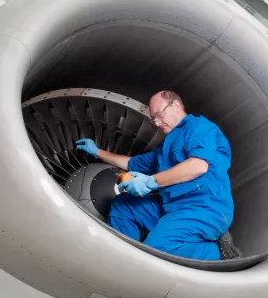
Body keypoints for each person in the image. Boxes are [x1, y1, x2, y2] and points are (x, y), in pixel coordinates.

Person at [76, 91, 234, 261]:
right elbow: (131, 163)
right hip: (172, 208)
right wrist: (97, 151)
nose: (157, 122)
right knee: (125, 204)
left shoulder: (200, 127)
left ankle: (218, 250)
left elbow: (198, 166)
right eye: (153, 118)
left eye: (159, 115)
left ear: (176, 105)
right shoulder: (165, 149)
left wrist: (151, 182)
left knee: (158, 249)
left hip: (204, 208)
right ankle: (122, 260)